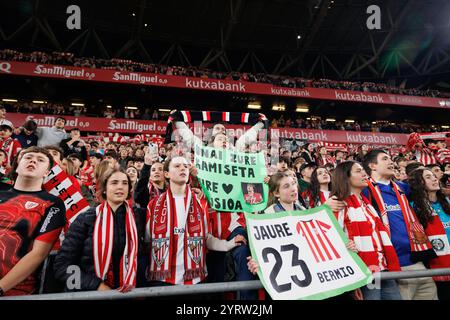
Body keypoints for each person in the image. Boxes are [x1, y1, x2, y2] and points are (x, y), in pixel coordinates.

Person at [145, 156, 245, 288]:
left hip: (196, 279)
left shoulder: (200, 203)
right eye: (177, 166)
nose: (183, 168)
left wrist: (228, 244)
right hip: (162, 280)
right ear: (166, 174)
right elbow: (148, 240)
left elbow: (206, 238)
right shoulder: (153, 205)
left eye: (186, 166)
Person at [362, 149, 438, 300]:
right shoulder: (363, 190)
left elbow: (431, 192)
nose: (391, 162)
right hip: (390, 265)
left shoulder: (402, 188)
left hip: (416, 261)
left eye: (391, 158)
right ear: (372, 165)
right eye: (385, 159)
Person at [54, 168, 144, 292]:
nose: (120, 187)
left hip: (129, 293)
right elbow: (62, 267)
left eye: (125, 183)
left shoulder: (139, 217)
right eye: (114, 183)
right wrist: (96, 286)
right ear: (105, 189)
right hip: (89, 295)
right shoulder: (85, 219)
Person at [0, 147, 66, 296]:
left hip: (14, 291)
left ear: (46, 173)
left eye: (40, 160)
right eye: (28, 157)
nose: (33, 160)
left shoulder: (52, 203)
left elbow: (39, 253)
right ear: (17, 166)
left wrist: (1, 287)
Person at [332, 161, 402, 300]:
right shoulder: (338, 203)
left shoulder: (366, 203)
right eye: (358, 171)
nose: (364, 173)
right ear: (346, 177)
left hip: (383, 267)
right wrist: (342, 245)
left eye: (363, 170)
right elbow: (332, 237)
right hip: (365, 271)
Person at [409, 168, 450, 300]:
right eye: (428, 177)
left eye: (434, 176)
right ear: (419, 183)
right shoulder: (413, 207)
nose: (434, 179)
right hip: (435, 265)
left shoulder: (447, 203)